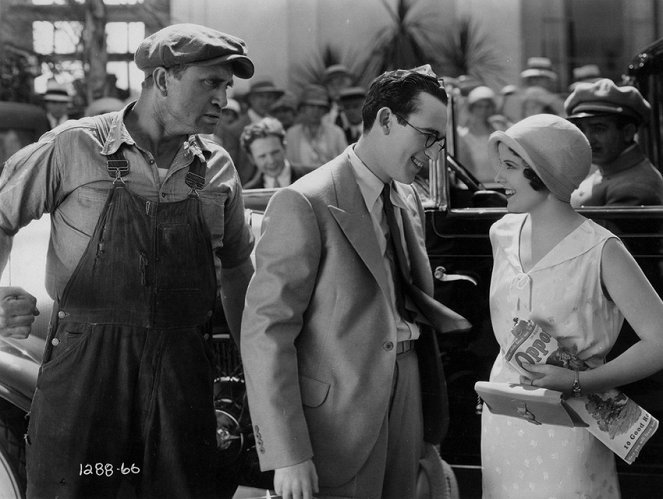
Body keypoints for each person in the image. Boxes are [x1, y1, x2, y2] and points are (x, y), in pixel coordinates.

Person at [0, 23, 256, 498]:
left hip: (182, 378)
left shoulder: (218, 168)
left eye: (227, 86)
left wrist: (254, 364)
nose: (222, 98)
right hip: (87, 379)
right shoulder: (73, 147)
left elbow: (239, 269)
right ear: (161, 80)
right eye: (210, 83)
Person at [241, 66, 470, 499]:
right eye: (428, 136)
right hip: (336, 418)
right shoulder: (303, 202)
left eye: (439, 141)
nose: (434, 152)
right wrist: (287, 452)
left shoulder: (406, 197)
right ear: (385, 120)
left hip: (409, 396)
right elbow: (266, 332)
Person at [481, 114, 663, 498]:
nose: (499, 178)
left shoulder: (602, 250)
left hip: (573, 424)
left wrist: (580, 382)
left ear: (546, 173)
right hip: (503, 423)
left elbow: (660, 340)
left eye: (511, 167)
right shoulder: (502, 232)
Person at [566, 78, 663, 207]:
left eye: (598, 129)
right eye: (581, 129)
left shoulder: (632, 189)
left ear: (627, 132)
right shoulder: (608, 169)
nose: (587, 139)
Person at [215, 77, 285, 185]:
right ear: (251, 99)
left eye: (270, 97)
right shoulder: (235, 129)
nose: (265, 101)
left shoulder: (276, 125)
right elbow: (231, 164)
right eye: (261, 97)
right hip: (247, 186)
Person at [286, 84, 348, 168]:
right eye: (311, 106)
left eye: (320, 107)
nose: (316, 111)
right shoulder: (292, 133)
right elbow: (289, 164)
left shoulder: (336, 132)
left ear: (325, 110)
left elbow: (346, 162)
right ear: (302, 108)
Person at [240, 117, 312, 188]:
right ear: (251, 158)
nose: (271, 161)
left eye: (275, 152)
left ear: (284, 147)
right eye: (262, 156)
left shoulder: (313, 178)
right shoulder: (248, 193)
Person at [456, 86, 505, 183]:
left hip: (501, 186)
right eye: (479, 106)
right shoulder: (463, 136)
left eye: (487, 106)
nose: (483, 111)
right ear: (471, 108)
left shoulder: (500, 132)